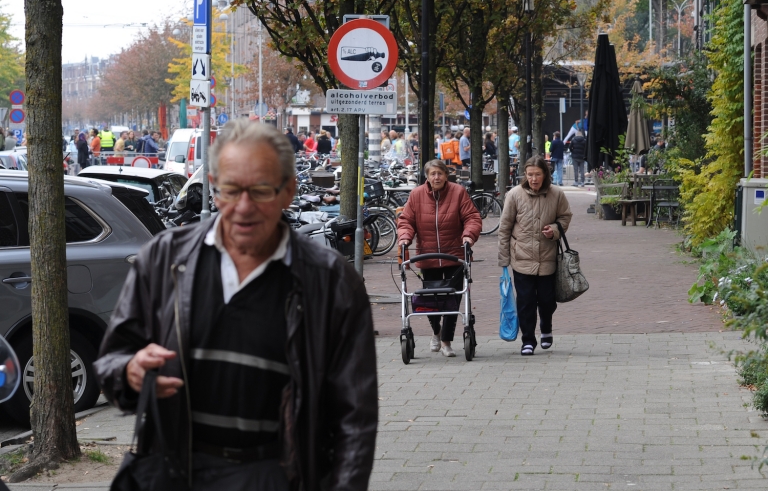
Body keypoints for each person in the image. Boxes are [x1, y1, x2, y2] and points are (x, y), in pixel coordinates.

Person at [94, 120, 378, 490]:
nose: (243, 207)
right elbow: (111, 362)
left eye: (260, 191)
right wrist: (129, 371)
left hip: (276, 475)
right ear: (213, 187)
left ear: (288, 191)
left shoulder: (331, 282)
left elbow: (355, 419)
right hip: (178, 472)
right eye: (230, 190)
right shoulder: (165, 259)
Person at [396, 160, 482, 357]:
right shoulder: (417, 195)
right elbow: (406, 221)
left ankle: (446, 342)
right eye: (433, 174)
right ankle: (436, 332)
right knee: (430, 300)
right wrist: (405, 238)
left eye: (440, 174)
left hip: (455, 255)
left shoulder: (458, 192)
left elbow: (472, 217)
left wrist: (468, 234)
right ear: (427, 176)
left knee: (452, 299)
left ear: (446, 175)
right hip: (428, 255)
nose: (436, 177)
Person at [497, 155, 572, 356]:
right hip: (521, 258)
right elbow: (504, 228)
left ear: (545, 174)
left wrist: (555, 229)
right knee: (526, 301)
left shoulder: (556, 194)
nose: (533, 179)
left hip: (547, 257)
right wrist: (504, 258)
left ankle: (546, 329)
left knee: (547, 300)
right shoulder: (514, 195)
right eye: (530, 175)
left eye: (537, 174)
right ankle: (528, 340)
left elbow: (565, 217)